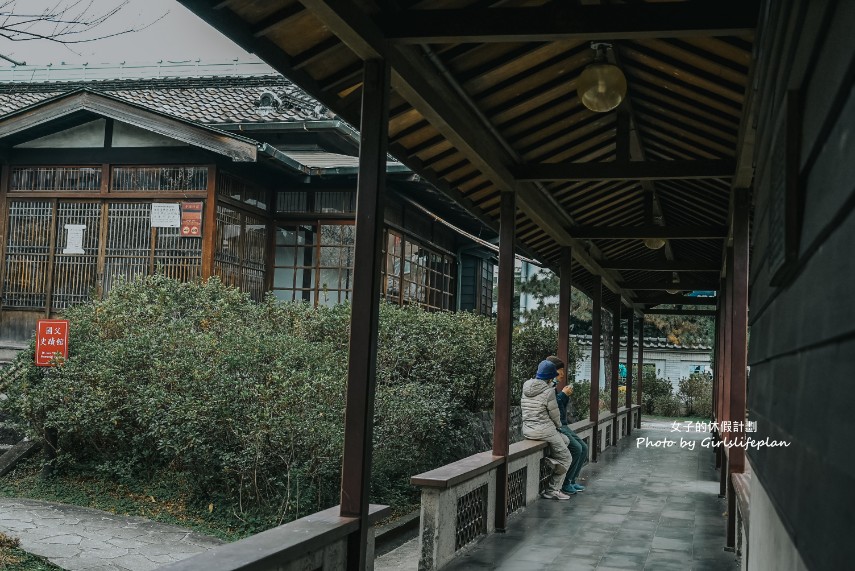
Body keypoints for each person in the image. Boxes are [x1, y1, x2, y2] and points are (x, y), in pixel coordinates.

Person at [521, 359, 573, 500]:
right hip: (545, 430)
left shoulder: (526, 387)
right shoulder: (549, 392)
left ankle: (552, 461)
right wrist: (558, 427)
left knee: (566, 440)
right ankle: (553, 489)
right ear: (550, 376)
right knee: (567, 458)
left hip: (527, 430)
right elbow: (555, 416)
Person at [547, 355, 589, 495]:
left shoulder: (553, 386)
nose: (562, 376)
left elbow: (560, 408)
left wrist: (565, 395)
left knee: (583, 447)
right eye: (560, 373)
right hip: (555, 427)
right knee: (577, 449)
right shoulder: (546, 386)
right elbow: (552, 407)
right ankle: (566, 483)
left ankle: (571, 481)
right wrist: (564, 395)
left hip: (562, 425)